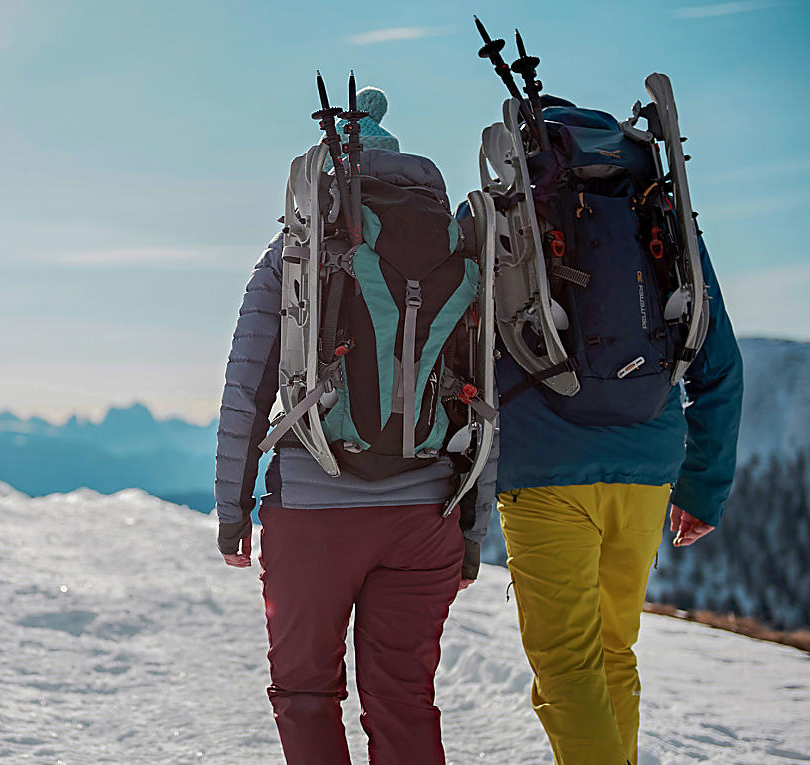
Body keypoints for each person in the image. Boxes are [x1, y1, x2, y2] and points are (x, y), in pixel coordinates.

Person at [214, 86, 491, 765]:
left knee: (306, 692)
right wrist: (471, 530)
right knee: (404, 701)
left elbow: (246, 386)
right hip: (424, 513)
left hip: (314, 507)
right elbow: (483, 392)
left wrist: (232, 510)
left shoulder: (297, 249)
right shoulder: (453, 245)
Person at [493, 237, 743, 762]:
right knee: (612, 651)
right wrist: (703, 484)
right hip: (646, 467)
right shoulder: (663, 218)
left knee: (567, 667)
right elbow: (717, 363)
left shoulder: (501, 215)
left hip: (545, 468)